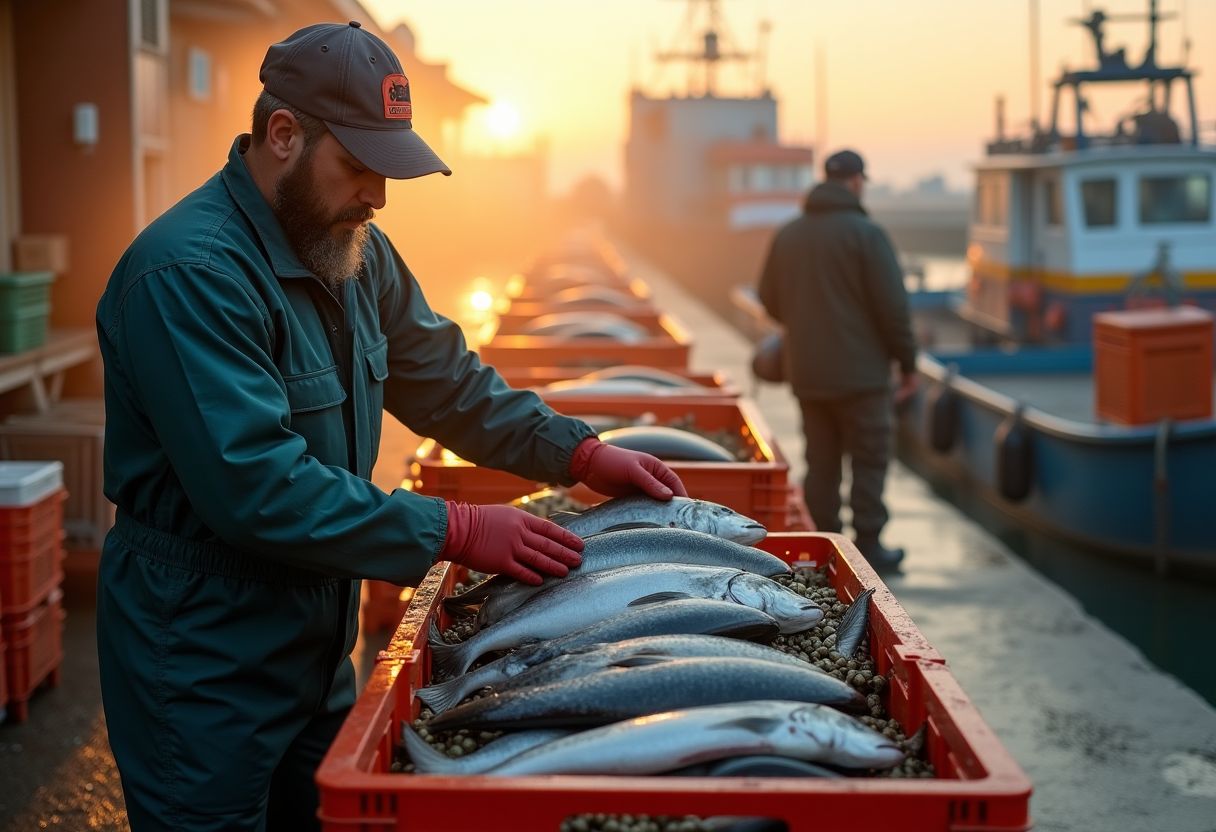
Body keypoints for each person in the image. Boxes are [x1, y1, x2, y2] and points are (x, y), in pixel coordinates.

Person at [94, 22, 687, 832]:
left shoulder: (352, 249)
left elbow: (448, 382)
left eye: (389, 172)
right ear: (282, 135)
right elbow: (254, 485)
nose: (378, 195)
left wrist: (576, 451)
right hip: (200, 653)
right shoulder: (190, 275)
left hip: (315, 644)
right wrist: (455, 526)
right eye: (359, 167)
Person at [756, 149, 917, 571]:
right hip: (863, 377)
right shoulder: (867, 234)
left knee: (821, 461)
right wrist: (908, 363)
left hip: (808, 372)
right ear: (857, 181)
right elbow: (893, 309)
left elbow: (770, 301)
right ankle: (869, 545)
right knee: (868, 458)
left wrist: (806, 326)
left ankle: (825, 545)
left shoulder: (789, 234)